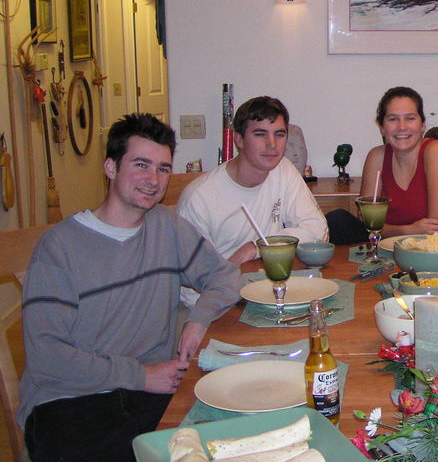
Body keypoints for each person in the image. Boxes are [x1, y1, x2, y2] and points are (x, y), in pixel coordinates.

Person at [17, 113, 241, 462]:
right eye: (140, 165)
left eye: (163, 169)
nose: (153, 180)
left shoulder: (166, 226)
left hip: (151, 391)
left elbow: (225, 276)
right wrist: (140, 376)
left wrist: (198, 319)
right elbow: (47, 357)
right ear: (110, 167)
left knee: (234, 438)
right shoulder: (59, 247)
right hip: (71, 399)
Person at [178, 96, 328, 267]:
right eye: (260, 134)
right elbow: (194, 274)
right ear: (239, 140)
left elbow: (317, 231)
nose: (272, 144)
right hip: (219, 281)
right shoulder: (198, 198)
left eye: (279, 134)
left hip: (264, 277)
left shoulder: (283, 169)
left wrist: (256, 248)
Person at [360, 86, 438, 237]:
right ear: (382, 127)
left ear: (422, 124)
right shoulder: (376, 157)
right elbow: (366, 223)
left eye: (410, 118)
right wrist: (410, 230)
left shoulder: (436, 152)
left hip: (429, 249)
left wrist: (385, 230)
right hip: (384, 249)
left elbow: (437, 229)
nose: (402, 127)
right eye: (393, 119)